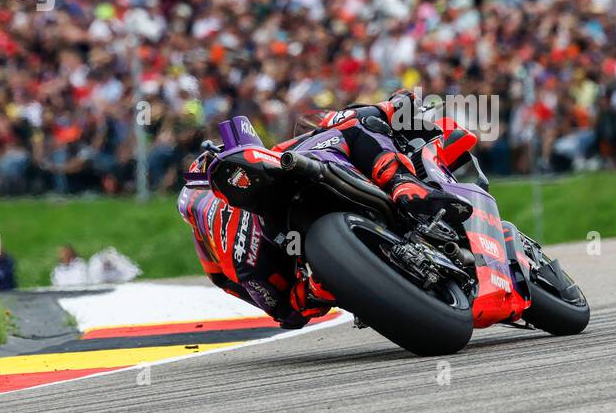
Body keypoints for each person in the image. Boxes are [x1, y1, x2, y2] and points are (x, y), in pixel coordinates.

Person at [177, 90, 470, 330]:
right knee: (355, 127)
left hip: (296, 245)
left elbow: (286, 316)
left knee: (354, 125)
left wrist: (311, 292)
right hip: (297, 240)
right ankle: (402, 185)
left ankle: (402, 187)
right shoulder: (239, 258)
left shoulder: (226, 264)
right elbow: (285, 313)